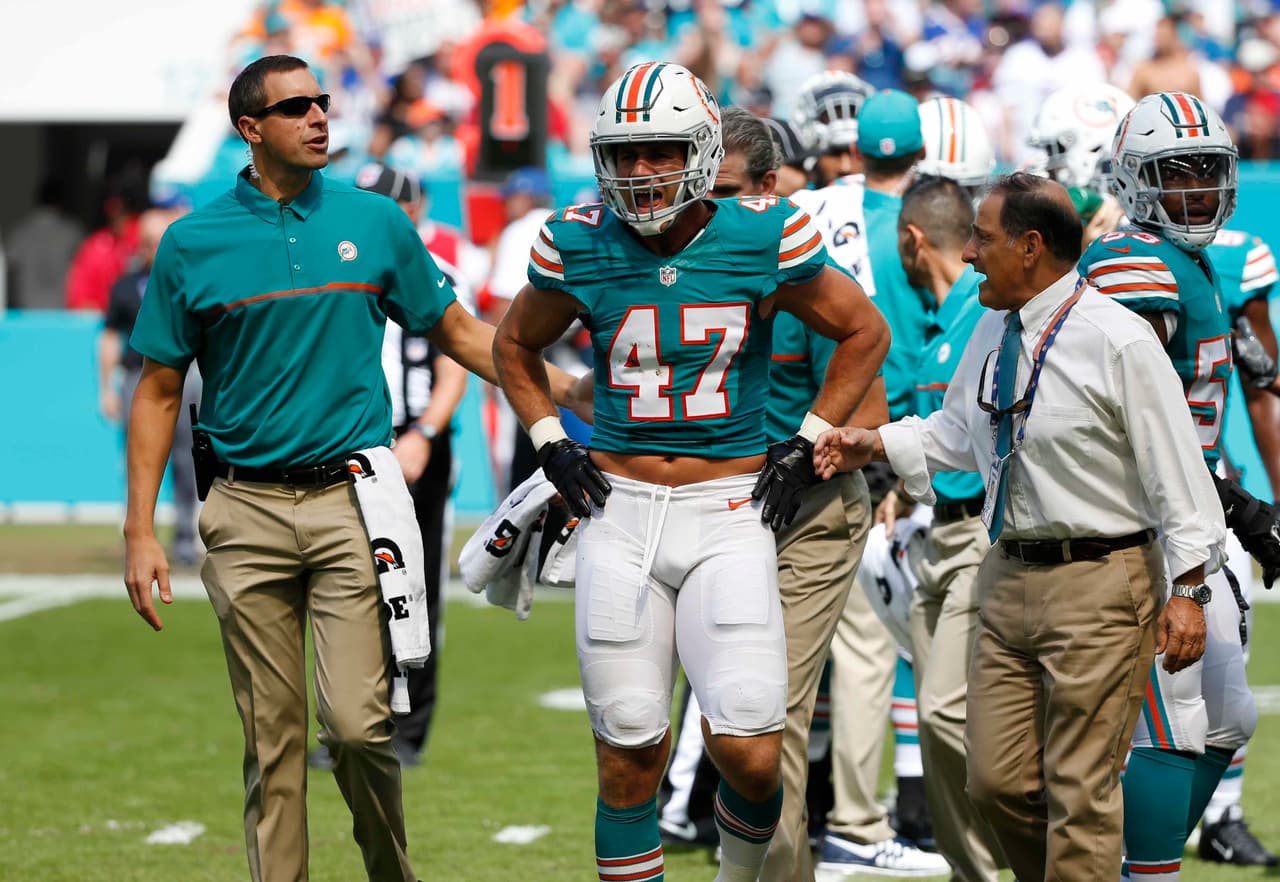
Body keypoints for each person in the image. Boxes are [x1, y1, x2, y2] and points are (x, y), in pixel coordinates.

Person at [121, 54, 572, 882]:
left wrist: (563, 387)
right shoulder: (191, 243)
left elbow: (459, 332)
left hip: (352, 505)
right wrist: (140, 530)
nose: (319, 116)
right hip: (243, 509)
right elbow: (156, 390)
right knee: (273, 739)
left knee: (358, 728)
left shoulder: (377, 221)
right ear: (250, 129)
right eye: (296, 107)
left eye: (321, 101)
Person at [493, 62, 889, 882]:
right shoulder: (577, 238)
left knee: (751, 745)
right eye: (624, 153)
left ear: (703, 150)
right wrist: (549, 441)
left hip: (729, 508)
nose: (640, 171)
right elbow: (513, 344)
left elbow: (864, 332)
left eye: (661, 150)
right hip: (620, 510)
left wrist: (806, 439)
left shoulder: (763, 233)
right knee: (628, 743)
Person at [814, 173, 1226, 882]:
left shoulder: (1118, 338)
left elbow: (1178, 472)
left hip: (1102, 578)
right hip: (1005, 571)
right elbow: (955, 432)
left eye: (983, 238)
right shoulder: (992, 328)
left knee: (1080, 791)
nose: (969, 253)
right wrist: (873, 444)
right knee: (993, 782)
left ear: (1030, 247)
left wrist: (1189, 590)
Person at [1079, 92, 1261, 882]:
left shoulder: (1197, 262)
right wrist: (1238, 507)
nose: (1198, 189)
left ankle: (1120, 864)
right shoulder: (1132, 260)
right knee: (1172, 725)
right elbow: (1139, 417)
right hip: (1144, 523)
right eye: (1175, 174)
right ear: (1133, 180)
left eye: (1208, 171)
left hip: (1190, 511)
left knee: (1228, 720)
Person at [814, 88, 943, 879]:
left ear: (855, 148)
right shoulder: (921, 227)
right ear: (921, 152)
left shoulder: (813, 209)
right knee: (875, 646)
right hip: (885, 446)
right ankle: (859, 827)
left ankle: (772, 818)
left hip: (801, 435)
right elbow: (924, 347)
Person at [307, 163, 472, 773]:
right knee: (344, 585)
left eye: (387, 205)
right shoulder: (332, 265)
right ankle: (350, 722)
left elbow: (455, 363)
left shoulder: (435, 270)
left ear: (413, 210)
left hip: (412, 439)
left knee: (414, 589)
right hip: (347, 439)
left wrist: (424, 433)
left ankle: (407, 729)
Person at [889, 175, 1004, 882]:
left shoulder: (983, 314)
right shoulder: (942, 319)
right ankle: (972, 871)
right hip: (937, 532)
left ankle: (1017, 856)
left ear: (914, 239)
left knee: (943, 711)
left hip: (980, 537)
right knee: (935, 727)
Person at [99, 206, 202, 567]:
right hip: (137, 377)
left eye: (157, 241)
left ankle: (188, 537)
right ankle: (140, 535)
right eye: (146, 242)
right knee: (140, 458)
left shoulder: (191, 279)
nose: (150, 248)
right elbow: (109, 337)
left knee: (189, 460)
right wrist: (106, 388)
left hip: (186, 376)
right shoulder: (126, 286)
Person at [5, 176, 85, 310]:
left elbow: (9, 270)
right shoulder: (73, 232)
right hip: (61, 307)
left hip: (27, 307)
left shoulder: (20, 232)